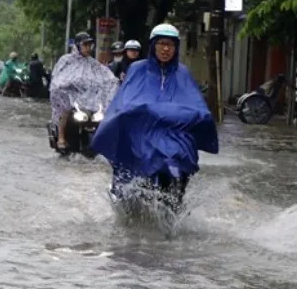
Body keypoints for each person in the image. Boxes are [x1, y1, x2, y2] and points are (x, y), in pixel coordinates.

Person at [90, 24, 218, 199]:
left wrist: (192, 116)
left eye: (171, 45)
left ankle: (176, 200)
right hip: (143, 132)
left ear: (176, 48)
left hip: (174, 134)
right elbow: (124, 101)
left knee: (182, 156)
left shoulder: (183, 73)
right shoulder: (138, 69)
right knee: (132, 151)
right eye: (162, 43)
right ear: (153, 45)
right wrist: (139, 112)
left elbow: (196, 106)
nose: (166, 49)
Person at [49, 32, 118, 150]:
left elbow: (106, 77)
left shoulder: (93, 63)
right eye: (85, 45)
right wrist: (64, 84)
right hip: (71, 96)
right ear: (77, 45)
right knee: (65, 110)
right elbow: (57, 78)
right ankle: (61, 137)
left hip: (89, 99)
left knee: (103, 113)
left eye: (89, 45)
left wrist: (115, 82)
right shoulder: (66, 60)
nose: (88, 48)